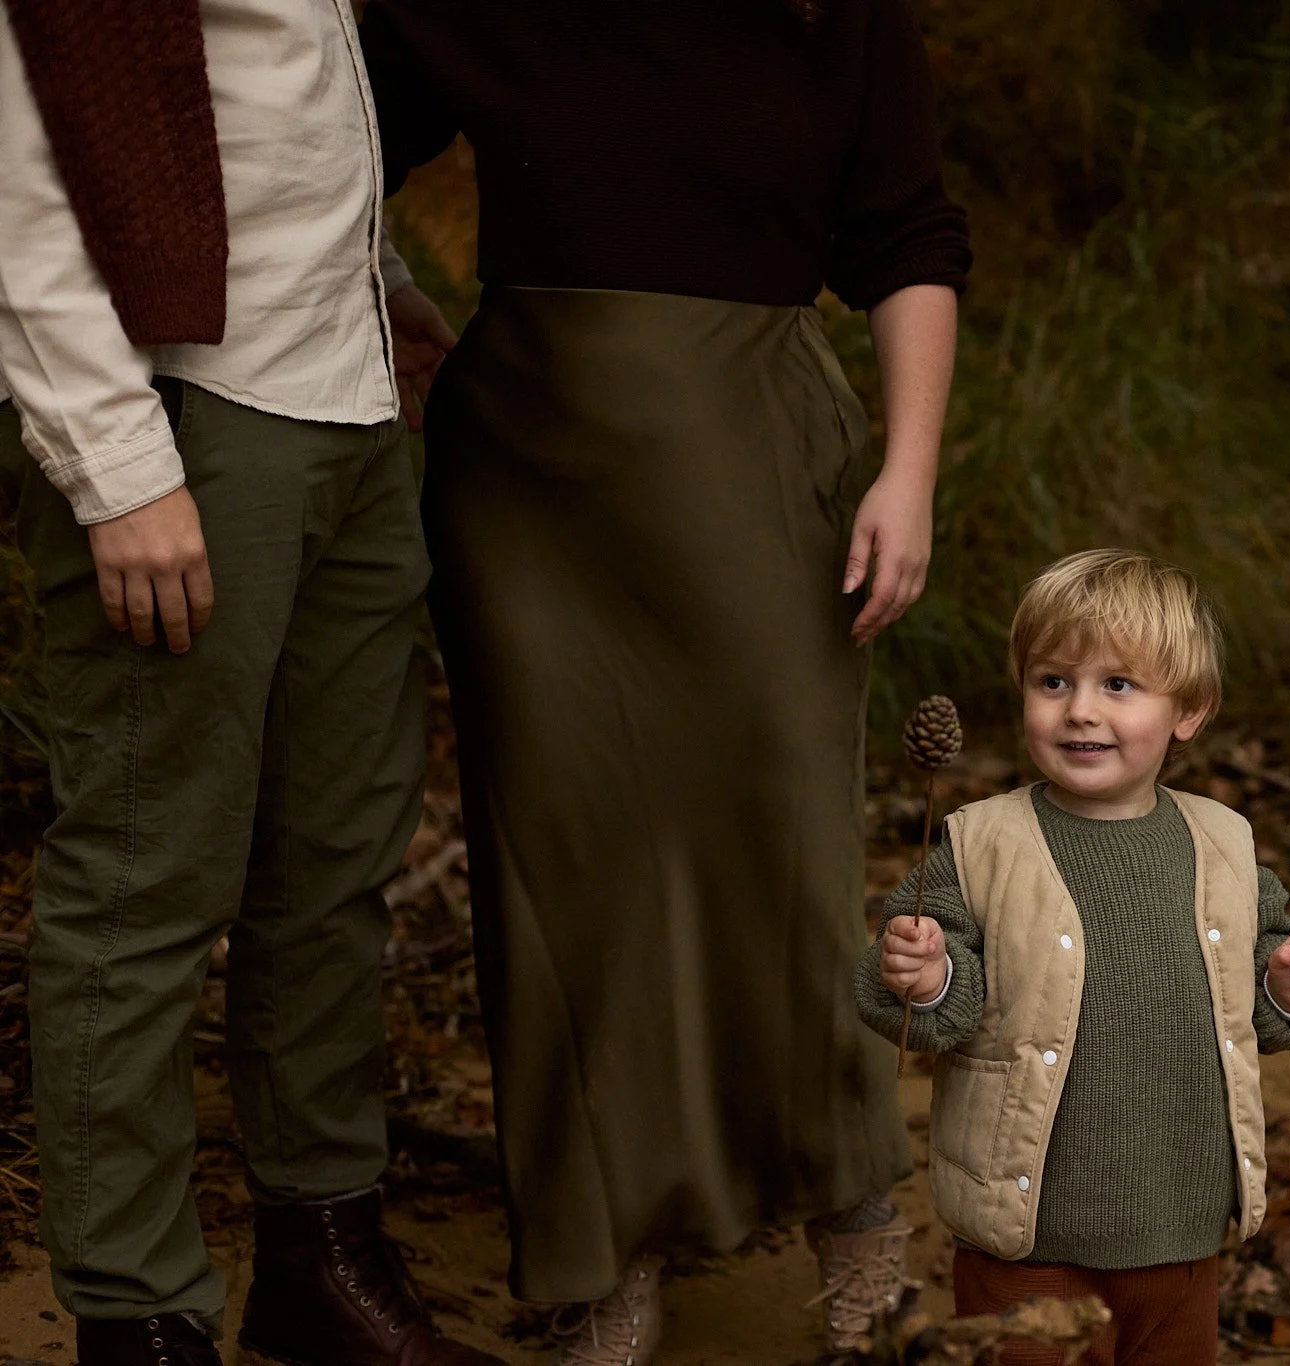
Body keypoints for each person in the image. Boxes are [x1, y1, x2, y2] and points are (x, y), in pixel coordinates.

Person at [356, 0, 971, 1358]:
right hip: (531, 483)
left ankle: (855, 1218)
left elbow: (909, 232)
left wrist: (910, 470)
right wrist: (390, 288)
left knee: (781, 839)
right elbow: (318, 145)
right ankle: (610, 1245)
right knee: (569, 873)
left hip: (751, 449)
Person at [0, 3, 489, 1366]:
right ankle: (137, 1312)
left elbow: (287, 99)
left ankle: (320, 1257)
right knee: (147, 877)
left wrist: (382, 294)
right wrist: (114, 459)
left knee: (332, 861)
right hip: (181, 411)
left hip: (342, 393)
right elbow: (18, 155)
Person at [855, 549, 1290, 1365]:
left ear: (1188, 711)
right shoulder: (982, 844)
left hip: (1181, 1229)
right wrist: (927, 974)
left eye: (1117, 685)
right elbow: (929, 1003)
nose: (1080, 710)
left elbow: (1254, 1006)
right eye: (1053, 682)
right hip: (1030, 1236)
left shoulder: (1223, 846)